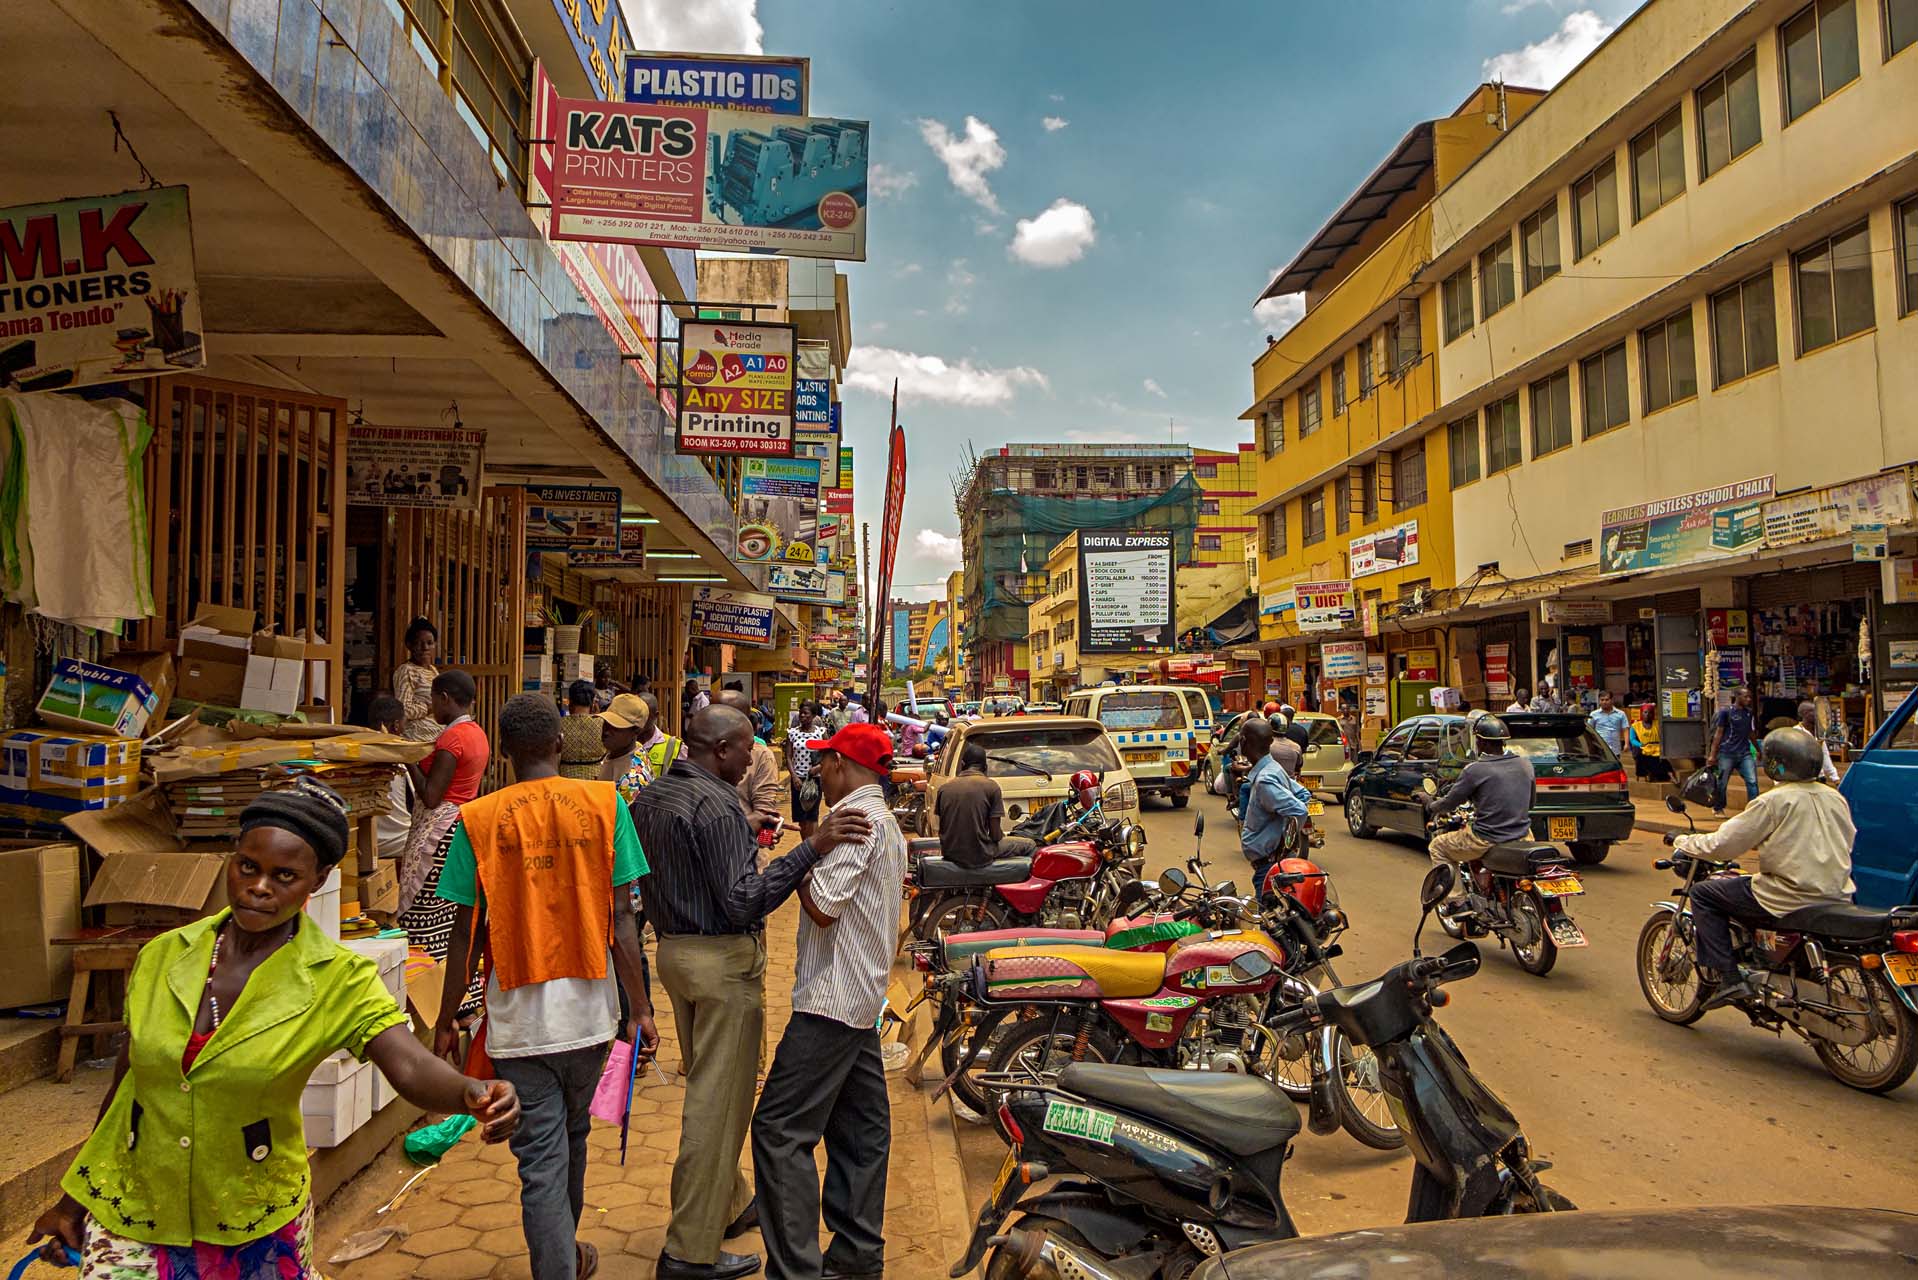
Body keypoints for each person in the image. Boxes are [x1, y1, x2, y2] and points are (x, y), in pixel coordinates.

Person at [30, 781, 518, 1276]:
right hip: (134, 1208)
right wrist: (74, 1200)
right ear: (232, 860)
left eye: (284, 875)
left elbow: (408, 1063)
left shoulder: (335, 979)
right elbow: (128, 1086)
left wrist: (471, 1092)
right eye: (248, 867)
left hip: (252, 1222)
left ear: (318, 880)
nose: (259, 887)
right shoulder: (164, 955)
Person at [629, 706, 872, 1280]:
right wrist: (809, 851)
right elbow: (742, 899)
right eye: (744, 749)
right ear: (719, 750)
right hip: (720, 965)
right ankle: (689, 1252)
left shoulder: (654, 796)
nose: (752, 757)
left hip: (675, 955)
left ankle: (733, 1202)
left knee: (713, 1087)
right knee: (717, 1109)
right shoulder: (716, 807)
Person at [432, 695, 655, 1280]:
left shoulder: (476, 822)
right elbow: (625, 920)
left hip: (518, 1028)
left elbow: (463, 936)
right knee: (573, 1140)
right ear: (560, 743)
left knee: (540, 1162)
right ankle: (568, 1254)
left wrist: (445, 1018)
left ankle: (560, 1262)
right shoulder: (606, 805)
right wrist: (641, 1009)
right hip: (591, 1019)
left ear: (503, 755)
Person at [751, 724, 908, 1280]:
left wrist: (806, 848)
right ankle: (857, 1258)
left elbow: (820, 906)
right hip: (859, 998)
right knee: (862, 1133)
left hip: (832, 1001)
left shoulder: (856, 824)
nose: (817, 772)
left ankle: (797, 1270)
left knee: (778, 1132)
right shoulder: (883, 820)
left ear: (843, 765)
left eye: (823, 763)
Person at [1669, 727, 1856, 1010]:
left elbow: (1723, 844)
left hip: (1786, 896)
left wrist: (1685, 841)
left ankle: (1729, 978)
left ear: (1774, 763)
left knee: (1705, 894)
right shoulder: (1835, 798)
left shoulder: (1774, 801)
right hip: (1837, 894)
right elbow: (1849, 839)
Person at [398, 670, 490, 1013]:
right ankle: (463, 1003)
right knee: (452, 918)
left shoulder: (451, 740)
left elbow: (432, 795)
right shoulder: (477, 734)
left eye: (434, 699)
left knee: (424, 919)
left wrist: (408, 760)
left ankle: (430, 1000)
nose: (431, 706)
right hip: (462, 828)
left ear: (446, 698)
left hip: (441, 829)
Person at [1425, 715, 1536, 903]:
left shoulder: (1474, 770)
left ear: (1480, 742)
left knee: (1437, 847)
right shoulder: (1525, 764)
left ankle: (1455, 901)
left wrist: (1430, 803)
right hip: (1524, 835)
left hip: (1486, 838)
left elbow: (1449, 803)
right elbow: (1531, 804)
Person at [935, 739, 1038, 869]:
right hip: (981, 854)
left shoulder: (945, 788)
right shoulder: (991, 786)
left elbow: (944, 827)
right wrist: (1003, 836)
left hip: (950, 853)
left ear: (962, 764)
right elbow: (995, 835)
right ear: (985, 767)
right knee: (1030, 845)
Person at [1241, 718, 1314, 892]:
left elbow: (1299, 809)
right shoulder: (1272, 768)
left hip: (1271, 865)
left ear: (1244, 742)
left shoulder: (1265, 780)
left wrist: (1284, 842)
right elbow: (1303, 794)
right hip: (1272, 863)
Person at [715, 689, 785, 834]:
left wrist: (764, 829)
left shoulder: (761, 756)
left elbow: (763, 809)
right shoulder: (696, 751)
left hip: (744, 848)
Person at [600, 692, 683, 803]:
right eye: (606, 723)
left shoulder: (632, 781)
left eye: (616, 727)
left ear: (636, 731)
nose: (606, 731)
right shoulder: (625, 750)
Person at [368, 693, 417, 861]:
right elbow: (414, 806)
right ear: (396, 726)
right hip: (399, 843)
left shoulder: (356, 758)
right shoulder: (401, 763)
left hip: (366, 843)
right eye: (404, 722)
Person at [1708, 687, 1760, 816]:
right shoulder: (1726, 713)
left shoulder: (1749, 713)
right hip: (1727, 752)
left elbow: (1751, 733)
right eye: (1745, 697)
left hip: (1745, 753)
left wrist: (1758, 749)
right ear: (1737, 697)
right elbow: (1719, 734)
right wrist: (1712, 755)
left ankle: (1753, 809)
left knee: (1752, 781)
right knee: (1722, 782)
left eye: (1749, 697)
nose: (1748, 699)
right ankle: (1718, 807)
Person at [393, 616, 440, 741]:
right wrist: (431, 707)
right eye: (419, 643)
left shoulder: (433, 670)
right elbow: (404, 710)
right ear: (409, 645)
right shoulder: (406, 671)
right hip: (417, 738)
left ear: (435, 644)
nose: (425, 647)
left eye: (430, 643)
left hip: (437, 736)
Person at [787, 701, 825, 839]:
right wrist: (794, 776)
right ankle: (806, 846)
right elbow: (789, 756)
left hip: (814, 779)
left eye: (806, 714)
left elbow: (828, 755)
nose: (802, 716)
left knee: (812, 815)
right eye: (801, 713)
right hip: (798, 780)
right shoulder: (792, 733)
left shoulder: (820, 733)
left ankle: (813, 847)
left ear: (814, 716)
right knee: (801, 817)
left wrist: (818, 767)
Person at [560, 679, 605, 780]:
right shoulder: (602, 724)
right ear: (593, 702)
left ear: (570, 701)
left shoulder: (559, 725)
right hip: (596, 780)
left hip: (565, 779)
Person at [1797, 700, 1840, 784]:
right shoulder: (1796, 733)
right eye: (1813, 711)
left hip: (1819, 778)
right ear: (1804, 714)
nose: (1817, 714)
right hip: (1804, 779)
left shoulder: (1819, 733)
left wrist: (1835, 778)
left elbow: (1825, 755)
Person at [1633, 701, 1671, 782]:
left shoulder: (1657, 724)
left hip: (1657, 747)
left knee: (1661, 759)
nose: (1647, 714)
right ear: (1641, 713)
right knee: (1646, 758)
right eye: (1645, 712)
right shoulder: (1636, 726)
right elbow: (1632, 739)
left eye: (1650, 712)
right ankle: (1652, 774)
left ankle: (1668, 774)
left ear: (1652, 714)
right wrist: (1641, 744)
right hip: (1644, 748)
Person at [1589, 689, 1630, 758]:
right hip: (1599, 750)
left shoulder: (1621, 714)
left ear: (1612, 700)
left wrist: (1626, 744)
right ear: (1599, 701)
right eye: (1602, 700)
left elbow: (1625, 729)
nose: (1604, 702)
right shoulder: (1593, 714)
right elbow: (1590, 731)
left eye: (1607, 699)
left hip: (1615, 750)